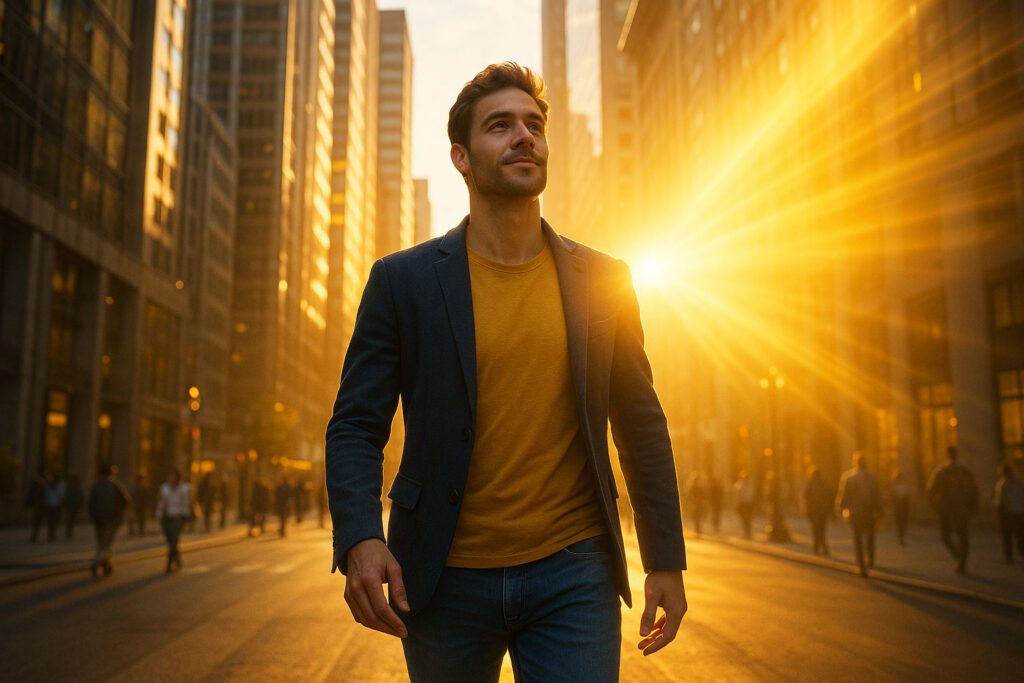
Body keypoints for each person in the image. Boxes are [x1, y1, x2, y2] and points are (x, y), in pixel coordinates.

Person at [325, 62, 687, 681]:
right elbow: (357, 424)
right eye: (501, 126)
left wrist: (665, 559)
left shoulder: (605, 280)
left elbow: (640, 424)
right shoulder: (402, 282)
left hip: (573, 571)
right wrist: (360, 537)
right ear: (461, 158)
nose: (524, 136)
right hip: (440, 577)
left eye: (534, 124)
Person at [926, 446, 980, 574]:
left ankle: (958, 557)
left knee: (946, 536)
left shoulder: (942, 471)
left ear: (947, 455)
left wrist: (935, 507)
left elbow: (931, 490)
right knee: (963, 537)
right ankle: (962, 562)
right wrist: (973, 508)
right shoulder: (965, 471)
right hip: (963, 509)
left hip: (946, 510)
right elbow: (975, 491)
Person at [835, 452, 882, 576]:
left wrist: (840, 509)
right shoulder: (872, 477)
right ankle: (870, 560)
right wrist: (879, 510)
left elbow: (843, 496)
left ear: (855, 462)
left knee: (857, 539)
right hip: (869, 512)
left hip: (855, 513)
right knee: (870, 537)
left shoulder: (849, 477)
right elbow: (877, 495)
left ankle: (861, 565)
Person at [87, 463, 131, 577]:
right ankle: (97, 562)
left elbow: (90, 503)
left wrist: (93, 516)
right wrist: (119, 513)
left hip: (98, 519)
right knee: (107, 542)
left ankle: (106, 564)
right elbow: (126, 501)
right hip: (111, 519)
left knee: (102, 541)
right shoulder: (115, 485)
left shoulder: (96, 485)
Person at [155, 468, 192, 573]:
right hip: (166, 517)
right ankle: (178, 558)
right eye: (170, 476)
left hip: (178, 517)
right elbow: (161, 502)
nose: (171, 478)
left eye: (173, 476)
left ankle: (169, 564)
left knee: (174, 540)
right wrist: (159, 514)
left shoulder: (185, 488)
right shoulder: (164, 488)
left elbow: (186, 503)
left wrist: (186, 517)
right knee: (170, 540)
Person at [994, 463, 1024, 563]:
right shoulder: (1018, 482)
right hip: (1019, 512)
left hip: (1007, 513)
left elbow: (1000, 501)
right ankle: (1021, 551)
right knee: (1019, 534)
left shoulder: (1002, 484)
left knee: (1007, 535)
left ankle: (1009, 556)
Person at [803, 467, 832, 556]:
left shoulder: (810, 484)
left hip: (814, 510)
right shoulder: (824, 483)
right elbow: (828, 496)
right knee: (822, 529)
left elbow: (806, 497)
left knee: (815, 529)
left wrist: (807, 509)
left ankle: (817, 546)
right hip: (822, 510)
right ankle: (823, 547)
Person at [42, 472, 65, 542]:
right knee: (52, 521)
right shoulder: (58, 485)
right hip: (54, 505)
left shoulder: (51, 485)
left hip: (52, 505)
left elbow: (46, 495)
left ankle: (51, 534)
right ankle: (51, 534)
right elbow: (61, 495)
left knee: (52, 521)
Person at [733, 469, 756, 539]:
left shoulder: (739, 485)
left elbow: (737, 495)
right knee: (747, 519)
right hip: (749, 504)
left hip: (743, 504)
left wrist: (737, 503)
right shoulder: (751, 485)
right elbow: (753, 495)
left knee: (744, 519)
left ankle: (746, 532)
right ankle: (748, 532)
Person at [891, 468, 910, 546]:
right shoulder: (897, 486)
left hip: (901, 505)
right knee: (900, 522)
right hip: (900, 506)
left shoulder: (899, 486)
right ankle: (901, 537)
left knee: (901, 522)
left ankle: (901, 536)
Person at [685, 472, 708, 536]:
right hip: (695, 504)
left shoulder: (700, 487)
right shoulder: (692, 487)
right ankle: (697, 528)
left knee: (699, 516)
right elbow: (689, 495)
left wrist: (703, 501)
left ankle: (698, 528)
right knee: (696, 516)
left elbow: (704, 495)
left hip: (698, 503)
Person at [25, 474, 46, 542]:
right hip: (38, 507)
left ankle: (34, 535)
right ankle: (34, 535)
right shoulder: (42, 488)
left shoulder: (33, 487)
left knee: (35, 521)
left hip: (35, 507)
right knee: (37, 522)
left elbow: (29, 497)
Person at [63, 475, 84, 539]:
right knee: (71, 520)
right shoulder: (77, 488)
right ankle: (69, 532)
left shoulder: (71, 488)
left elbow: (81, 498)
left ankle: (69, 532)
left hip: (72, 506)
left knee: (70, 520)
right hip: (73, 506)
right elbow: (81, 498)